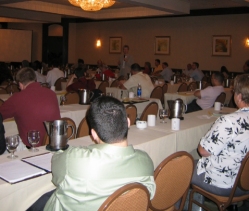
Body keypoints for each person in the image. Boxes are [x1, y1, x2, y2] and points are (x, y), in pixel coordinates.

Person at [28, 96, 156, 211]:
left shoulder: (73, 159)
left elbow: (56, 177)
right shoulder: (146, 161)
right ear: (128, 123)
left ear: (93, 134)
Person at [191, 74, 249, 197]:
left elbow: (203, 151)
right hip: (245, 182)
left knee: (179, 168)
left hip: (225, 183)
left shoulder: (229, 121)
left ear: (238, 96)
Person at [0, 67, 60, 147]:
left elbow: (1, 114)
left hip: (31, 147)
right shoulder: (51, 94)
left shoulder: (17, 98)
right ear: (35, 79)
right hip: (53, 143)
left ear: (20, 84)